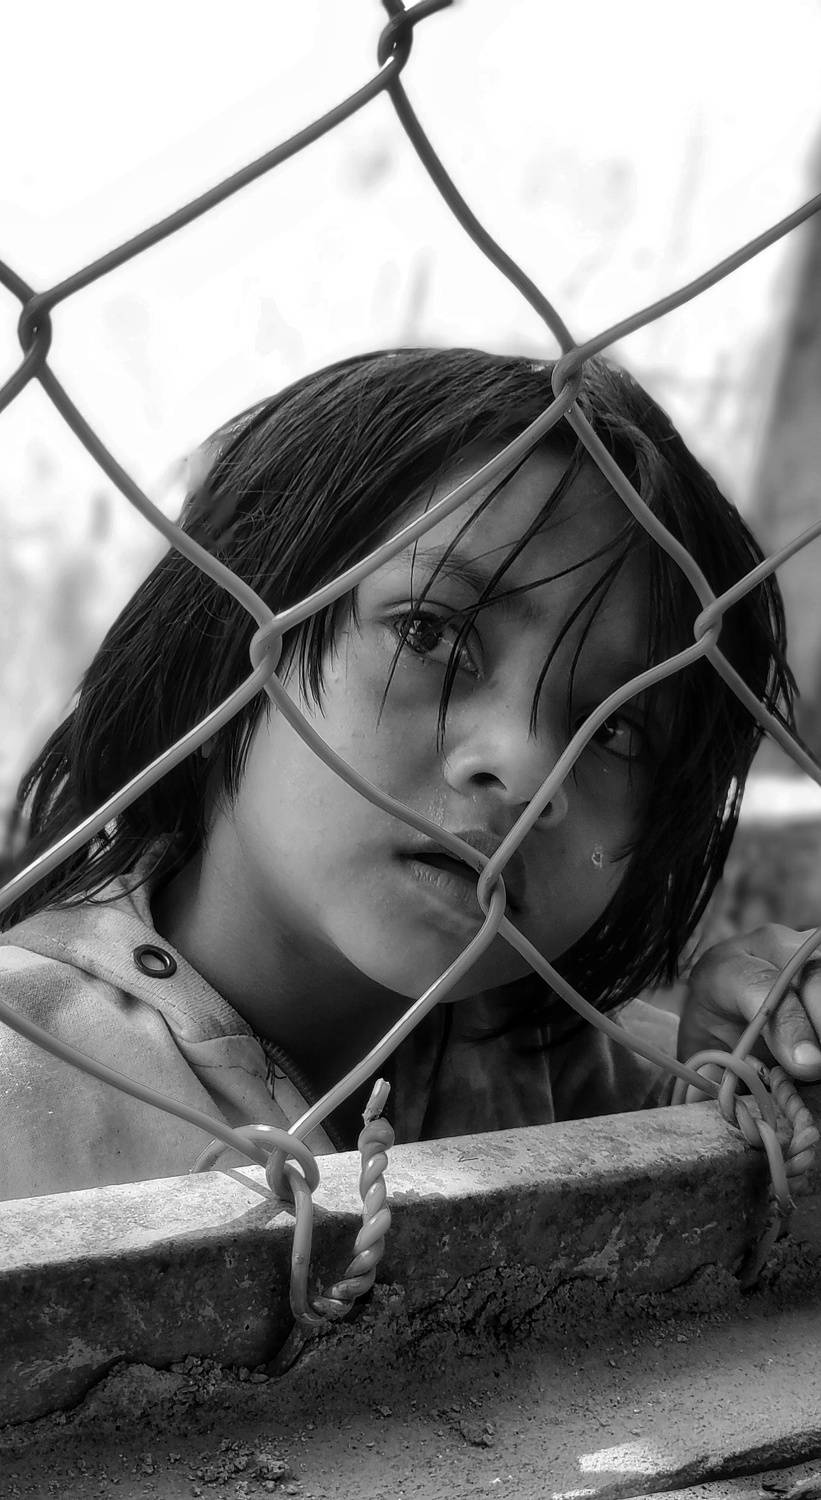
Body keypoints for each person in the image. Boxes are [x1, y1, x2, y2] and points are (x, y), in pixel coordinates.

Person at [0, 346, 815, 1203]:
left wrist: (735, 1099)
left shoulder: (599, 1084)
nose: (528, 768)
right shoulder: (26, 1076)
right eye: (429, 633)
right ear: (229, 657)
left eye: (615, 727)